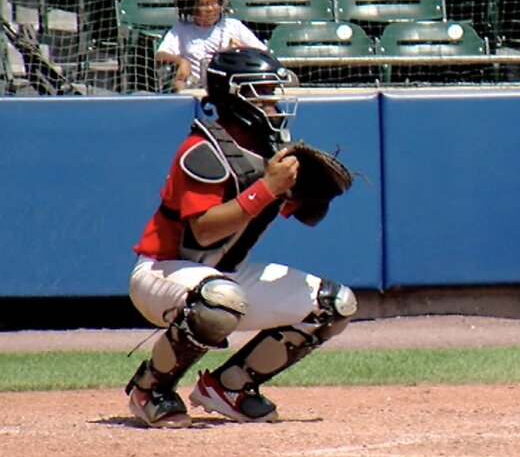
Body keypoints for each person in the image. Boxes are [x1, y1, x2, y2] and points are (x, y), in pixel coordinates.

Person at [124, 47, 357, 428]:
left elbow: (308, 218)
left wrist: (312, 195)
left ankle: (230, 387)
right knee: (218, 298)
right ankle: (150, 388)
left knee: (334, 305)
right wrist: (267, 188)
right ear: (233, 96)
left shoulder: (268, 151)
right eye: (261, 92)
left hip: (222, 276)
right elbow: (204, 228)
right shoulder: (202, 150)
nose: (272, 102)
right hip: (162, 273)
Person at [155, 0, 266, 92]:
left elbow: (264, 53)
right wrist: (182, 61)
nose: (210, 9)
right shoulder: (182, 29)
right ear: (190, 7)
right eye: (203, 5)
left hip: (231, 86)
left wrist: (240, 50)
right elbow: (160, 55)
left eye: (214, 3)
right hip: (196, 85)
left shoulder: (232, 26)